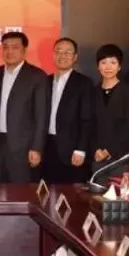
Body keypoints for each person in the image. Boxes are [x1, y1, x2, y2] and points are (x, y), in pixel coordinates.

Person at [0, 31, 47, 183]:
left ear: (24, 50)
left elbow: (41, 115)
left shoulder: (36, 76)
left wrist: (37, 147)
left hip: (23, 146)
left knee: (20, 189)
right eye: (6, 47)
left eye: (15, 47)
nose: (10, 51)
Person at [42, 37, 94, 184]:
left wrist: (81, 149)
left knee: (70, 192)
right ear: (53, 55)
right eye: (58, 51)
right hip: (46, 146)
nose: (62, 55)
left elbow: (87, 119)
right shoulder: (45, 81)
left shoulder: (84, 83)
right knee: (47, 190)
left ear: (75, 57)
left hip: (71, 149)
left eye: (67, 52)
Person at [89, 44, 129, 179]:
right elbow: (89, 124)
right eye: (103, 62)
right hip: (98, 156)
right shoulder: (92, 92)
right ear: (98, 66)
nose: (108, 67)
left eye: (113, 62)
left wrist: (108, 150)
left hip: (121, 156)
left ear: (119, 66)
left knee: (119, 192)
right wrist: (95, 149)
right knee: (97, 192)